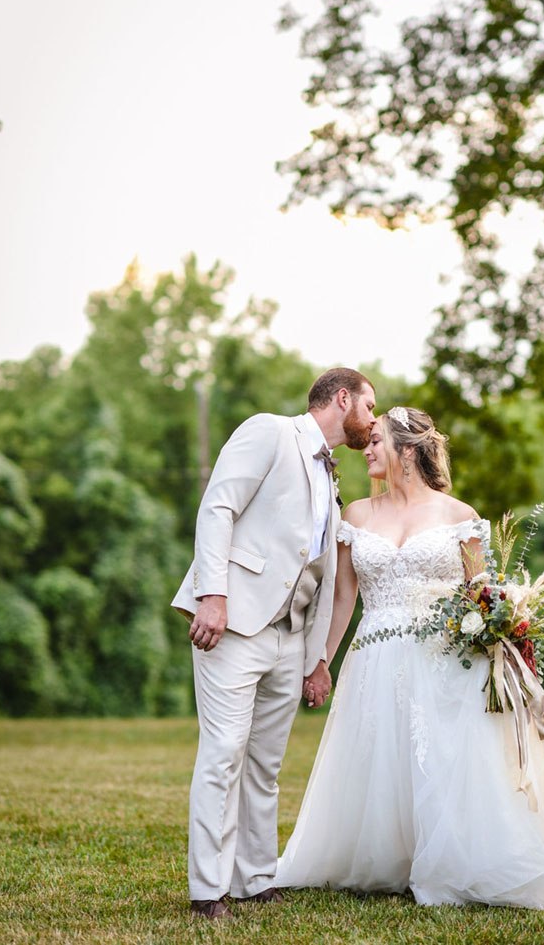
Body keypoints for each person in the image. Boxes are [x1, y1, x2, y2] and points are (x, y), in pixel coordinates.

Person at [277, 407, 544, 909]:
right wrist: (321, 661)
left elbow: (480, 592)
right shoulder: (355, 515)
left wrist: (500, 632)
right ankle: (388, 858)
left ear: (409, 450)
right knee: (380, 761)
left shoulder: (459, 516)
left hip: (444, 660)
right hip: (374, 658)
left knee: (443, 761)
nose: (367, 450)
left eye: (376, 441)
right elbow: (343, 598)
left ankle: (454, 860)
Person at [171, 368, 376, 920]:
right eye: (369, 407)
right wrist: (213, 595)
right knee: (223, 754)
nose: (373, 421)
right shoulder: (269, 431)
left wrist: (316, 658)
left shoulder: (332, 479)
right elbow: (218, 508)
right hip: (234, 624)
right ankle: (207, 891)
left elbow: (326, 577)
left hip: (290, 637)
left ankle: (256, 878)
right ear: (341, 399)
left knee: (266, 764)